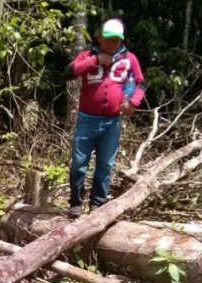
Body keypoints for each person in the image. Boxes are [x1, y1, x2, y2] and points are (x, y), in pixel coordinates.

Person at [63, 18, 145, 217]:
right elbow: (68, 73)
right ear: (99, 38)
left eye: (116, 40)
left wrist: (133, 103)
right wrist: (95, 60)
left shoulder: (129, 59)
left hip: (112, 122)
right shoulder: (87, 55)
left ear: (122, 41)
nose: (112, 44)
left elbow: (140, 84)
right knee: (78, 163)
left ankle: (97, 206)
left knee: (105, 164)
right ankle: (75, 203)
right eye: (108, 39)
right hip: (86, 120)